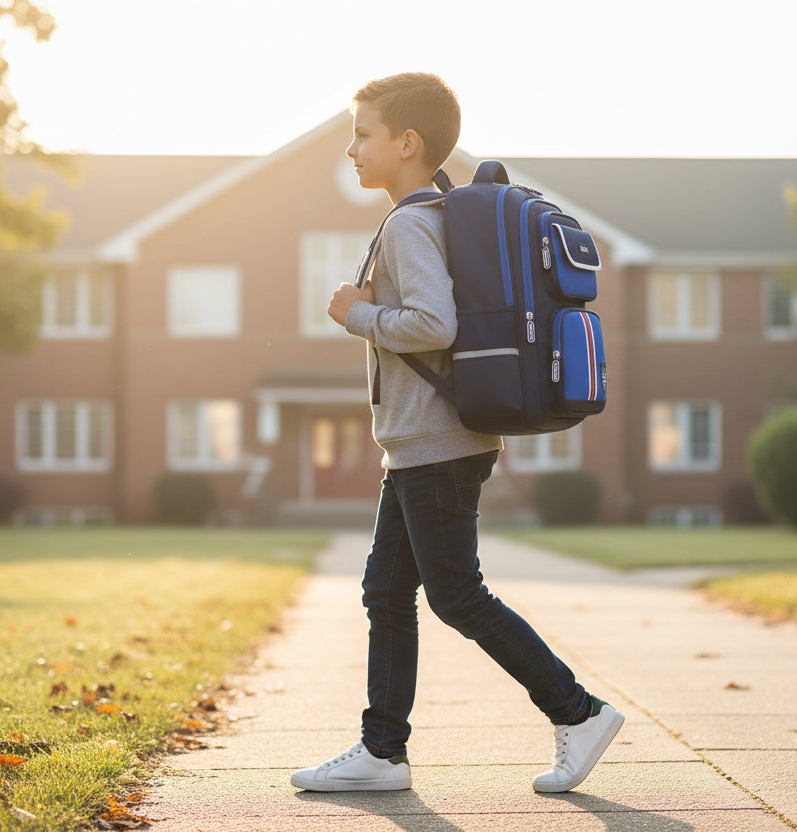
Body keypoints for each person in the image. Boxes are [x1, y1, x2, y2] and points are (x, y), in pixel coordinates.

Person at [290, 72, 623, 794]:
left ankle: (579, 711)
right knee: (386, 590)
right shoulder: (429, 217)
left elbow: (433, 326)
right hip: (424, 443)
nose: (351, 149)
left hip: (435, 445)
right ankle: (382, 752)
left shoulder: (411, 223)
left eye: (363, 133)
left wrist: (357, 314)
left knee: (456, 595)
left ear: (406, 143)